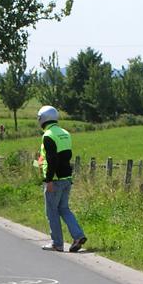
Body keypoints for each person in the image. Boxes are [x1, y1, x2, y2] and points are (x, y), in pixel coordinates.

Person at [37, 105, 87, 253]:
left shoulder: (48, 135)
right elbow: (65, 156)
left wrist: (49, 180)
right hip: (67, 177)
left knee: (52, 211)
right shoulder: (65, 133)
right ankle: (78, 236)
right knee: (64, 208)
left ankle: (57, 243)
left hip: (56, 180)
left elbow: (52, 160)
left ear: (43, 119)